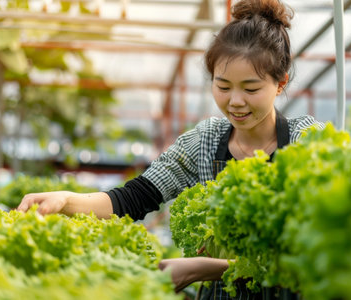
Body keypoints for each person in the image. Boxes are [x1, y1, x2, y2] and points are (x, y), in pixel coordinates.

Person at [18, 0, 324, 298]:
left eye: (251, 88)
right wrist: (66, 200)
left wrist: (209, 268)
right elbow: (133, 198)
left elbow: (313, 250)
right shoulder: (204, 142)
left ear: (280, 84)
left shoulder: (305, 141)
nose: (235, 102)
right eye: (223, 86)